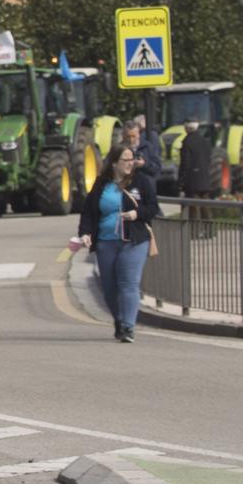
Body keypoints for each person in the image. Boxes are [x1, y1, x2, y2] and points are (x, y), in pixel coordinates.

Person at [76, 143, 159, 342]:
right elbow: (88, 211)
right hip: (106, 241)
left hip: (135, 240)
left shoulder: (142, 181)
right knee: (109, 287)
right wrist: (85, 233)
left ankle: (128, 327)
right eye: (126, 160)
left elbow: (153, 208)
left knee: (128, 283)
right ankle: (119, 320)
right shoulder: (101, 184)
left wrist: (136, 213)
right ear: (114, 163)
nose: (131, 163)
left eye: (132, 159)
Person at [178, 118, 217, 237]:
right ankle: (210, 231)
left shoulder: (187, 142)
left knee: (193, 207)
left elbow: (185, 163)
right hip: (204, 177)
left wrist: (181, 181)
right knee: (205, 206)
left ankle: (194, 232)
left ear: (186, 128)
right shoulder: (205, 141)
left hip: (192, 179)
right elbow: (209, 159)